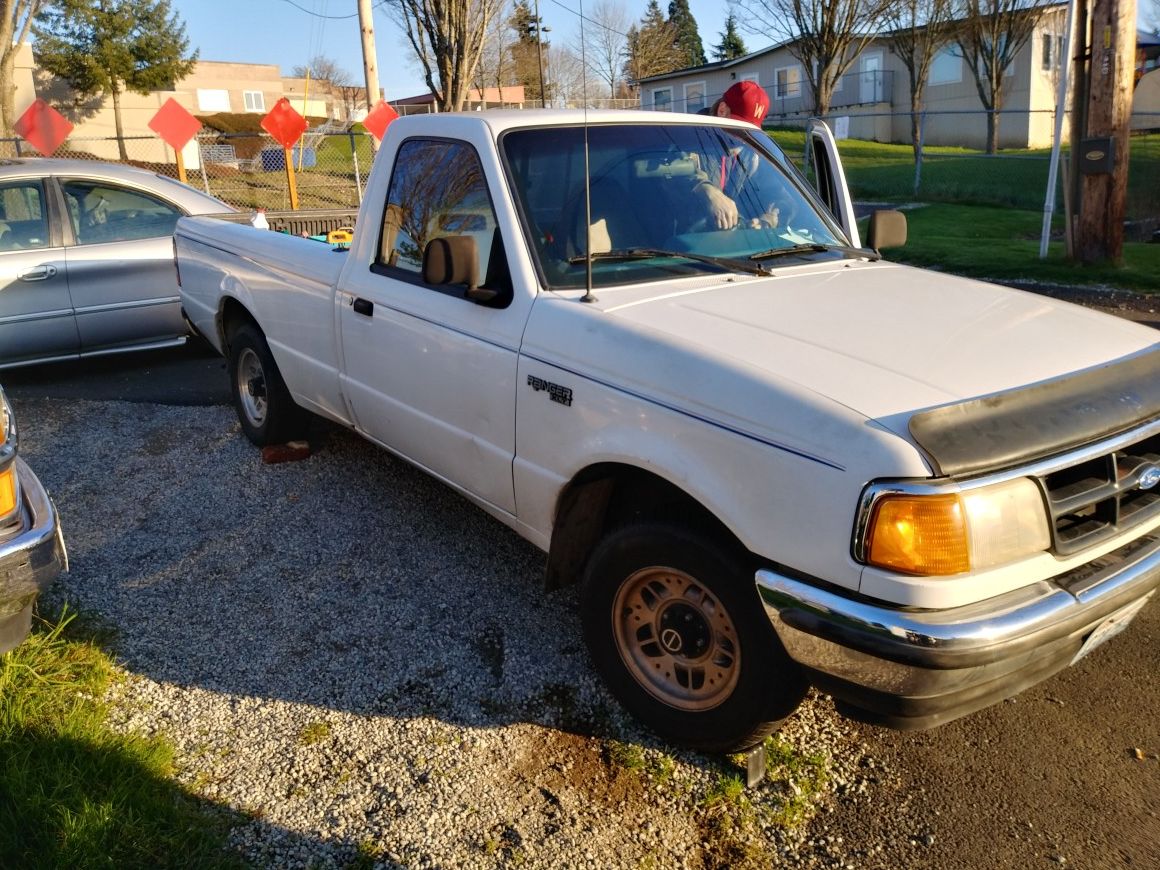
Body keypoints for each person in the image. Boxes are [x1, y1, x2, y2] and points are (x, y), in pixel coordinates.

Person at [690, 80, 776, 230]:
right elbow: (676, 171)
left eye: (749, 130)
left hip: (735, 242)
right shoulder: (690, 138)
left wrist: (767, 221)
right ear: (722, 110)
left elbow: (778, 194)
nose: (744, 137)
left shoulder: (752, 155)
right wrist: (706, 190)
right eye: (738, 127)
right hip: (684, 241)